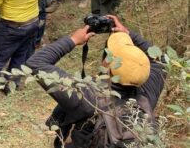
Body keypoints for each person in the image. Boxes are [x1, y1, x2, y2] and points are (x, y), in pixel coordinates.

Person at [26, 15, 165, 148]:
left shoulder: (86, 97)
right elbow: (162, 61)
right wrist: (128, 33)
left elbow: (36, 62)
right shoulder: (147, 94)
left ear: (108, 67)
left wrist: (73, 40)